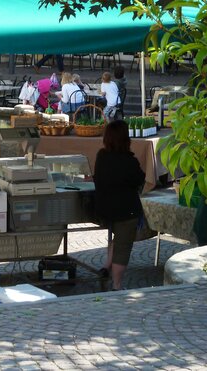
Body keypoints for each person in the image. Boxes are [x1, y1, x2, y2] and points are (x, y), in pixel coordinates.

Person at [93, 120, 145, 290]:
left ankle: (106, 266)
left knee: (117, 238)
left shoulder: (102, 156)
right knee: (123, 246)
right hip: (126, 211)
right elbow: (139, 180)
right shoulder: (129, 161)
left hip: (103, 209)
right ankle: (117, 285)